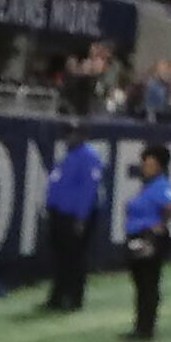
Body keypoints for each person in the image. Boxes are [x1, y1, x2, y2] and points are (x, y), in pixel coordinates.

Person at [43, 126, 107, 311]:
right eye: (67, 134)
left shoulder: (89, 157)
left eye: (72, 134)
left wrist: (81, 218)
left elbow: (88, 189)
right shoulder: (69, 156)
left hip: (76, 216)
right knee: (60, 257)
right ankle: (58, 296)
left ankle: (74, 298)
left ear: (82, 136)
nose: (68, 138)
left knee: (75, 257)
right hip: (60, 214)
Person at [117, 142, 171, 340]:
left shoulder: (161, 186)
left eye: (149, 163)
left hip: (150, 238)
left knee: (148, 283)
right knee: (141, 283)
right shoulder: (147, 187)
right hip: (139, 236)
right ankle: (141, 325)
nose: (145, 167)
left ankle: (146, 328)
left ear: (159, 166)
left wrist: (158, 226)